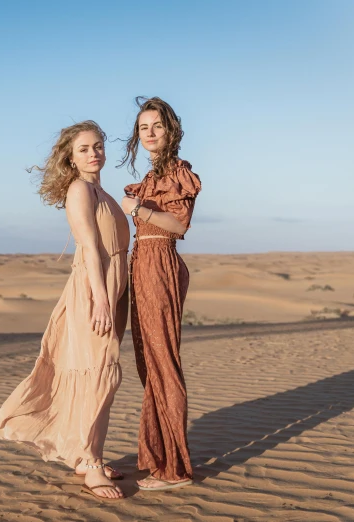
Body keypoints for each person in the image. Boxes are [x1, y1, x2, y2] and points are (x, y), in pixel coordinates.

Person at [0, 120, 130, 501]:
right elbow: (88, 249)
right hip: (93, 289)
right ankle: (90, 461)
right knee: (99, 373)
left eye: (98, 146)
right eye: (84, 148)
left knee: (102, 372)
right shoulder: (80, 190)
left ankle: (88, 455)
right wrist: (100, 298)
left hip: (112, 287)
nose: (94, 153)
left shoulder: (101, 189)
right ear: (71, 156)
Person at [119, 97, 202, 491]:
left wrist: (140, 210)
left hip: (160, 263)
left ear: (171, 130)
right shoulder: (153, 174)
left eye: (157, 126)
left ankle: (175, 469)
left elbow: (178, 224)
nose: (150, 133)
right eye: (143, 128)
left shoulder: (176, 173)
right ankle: (157, 456)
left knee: (164, 360)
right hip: (143, 264)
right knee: (149, 361)